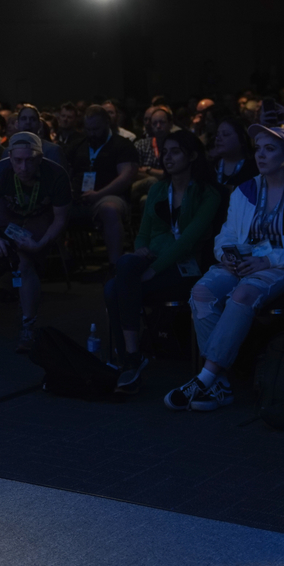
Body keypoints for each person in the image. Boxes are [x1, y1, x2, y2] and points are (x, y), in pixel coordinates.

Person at [164, 125, 284, 412]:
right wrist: (225, 255)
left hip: (283, 264)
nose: (260, 155)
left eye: (270, 149)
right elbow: (226, 234)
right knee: (201, 292)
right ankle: (221, 384)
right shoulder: (245, 190)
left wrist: (268, 260)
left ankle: (205, 377)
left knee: (244, 293)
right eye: (258, 148)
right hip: (244, 260)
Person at [104, 130, 222, 393]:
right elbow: (143, 233)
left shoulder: (207, 194)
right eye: (165, 152)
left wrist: (153, 270)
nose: (167, 158)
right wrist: (140, 252)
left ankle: (130, 361)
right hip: (152, 260)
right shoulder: (158, 189)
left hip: (186, 268)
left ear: (192, 156)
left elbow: (187, 241)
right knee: (125, 266)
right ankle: (132, 357)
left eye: (175, 152)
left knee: (114, 288)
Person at [0, 131, 72, 352]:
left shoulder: (56, 175)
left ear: (40, 158)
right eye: (18, 161)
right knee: (2, 255)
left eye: (29, 160)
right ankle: (11, 295)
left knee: (23, 263)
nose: (23, 167)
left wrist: (42, 243)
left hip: (40, 216)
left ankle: (28, 323)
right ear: (10, 158)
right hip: (8, 216)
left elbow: (60, 219)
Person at [66, 105, 137, 265]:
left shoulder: (122, 145)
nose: (92, 133)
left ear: (107, 123)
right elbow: (66, 173)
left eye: (96, 129)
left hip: (110, 196)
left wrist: (99, 194)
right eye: (88, 129)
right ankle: (63, 261)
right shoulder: (77, 145)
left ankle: (115, 265)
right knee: (52, 207)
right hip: (78, 197)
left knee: (109, 209)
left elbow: (126, 177)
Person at [131, 105, 174, 205]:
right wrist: (160, 176)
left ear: (170, 124)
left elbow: (173, 173)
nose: (158, 126)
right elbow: (134, 171)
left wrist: (148, 169)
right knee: (151, 182)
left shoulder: (177, 145)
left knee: (145, 200)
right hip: (144, 187)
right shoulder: (141, 145)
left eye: (162, 122)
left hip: (170, 187)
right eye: (155, 123)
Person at [209, 116, 257, 191]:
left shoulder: (255, 169)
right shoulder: (210, 168)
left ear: (243, 139)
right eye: (217, 135)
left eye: (225, 134)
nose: (218, 139)